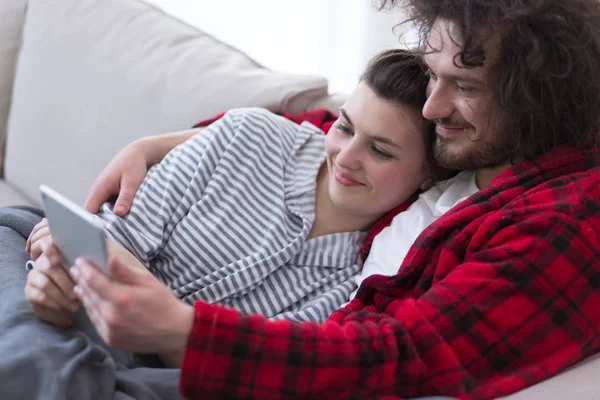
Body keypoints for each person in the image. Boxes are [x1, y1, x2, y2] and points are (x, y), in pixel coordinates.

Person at [50, 0, 600, 399]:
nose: (434, 107)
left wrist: (184, 333)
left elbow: (403, 356)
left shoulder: (563, 224)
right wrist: (160, 144)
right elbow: (339, 129)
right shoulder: (476, 143)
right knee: (19, 242)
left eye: (466, 87)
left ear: (538, 98)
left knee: (61, 370)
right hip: (148, 322)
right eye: (435, 75)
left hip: (245, 365)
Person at [24, 50, 437, 361]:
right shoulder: (248, 135)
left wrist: (111, 272)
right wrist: (54, 276)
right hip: (69, 301)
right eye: (345, 127)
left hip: (138, 372)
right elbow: (115, 235)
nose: (345, 158)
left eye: (380, 151)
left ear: (426, 176)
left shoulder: (364, 280)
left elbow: (243, 366)